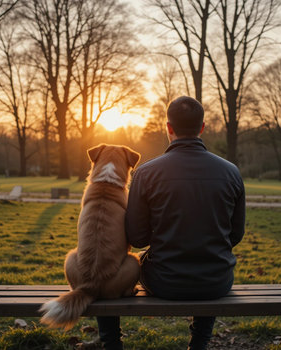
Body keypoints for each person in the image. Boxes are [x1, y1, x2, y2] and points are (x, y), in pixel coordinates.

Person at [96, 96, 246, 350]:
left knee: (105, 273)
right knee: (208, 261)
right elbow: (236, 235)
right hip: (217, 280)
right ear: (202, 127)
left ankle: (112, 344)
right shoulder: (231, 172)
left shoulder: (146, 173)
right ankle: (199, 343)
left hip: (164, 280)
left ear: (168, 128)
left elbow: (138, 238)